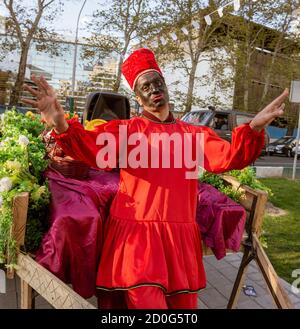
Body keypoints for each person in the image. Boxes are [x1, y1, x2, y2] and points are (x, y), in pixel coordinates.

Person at [22, 48, 288, 309]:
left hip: (179, 242)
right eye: (145, 87)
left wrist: (254, 126)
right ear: (138, 97)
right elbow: (86, 146)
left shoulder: (194, 135)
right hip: (137, 242)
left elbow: (230, 156)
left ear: (165, 85)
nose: (153, 89)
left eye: (157, 82)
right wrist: (59, 123)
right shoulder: (125, 132)